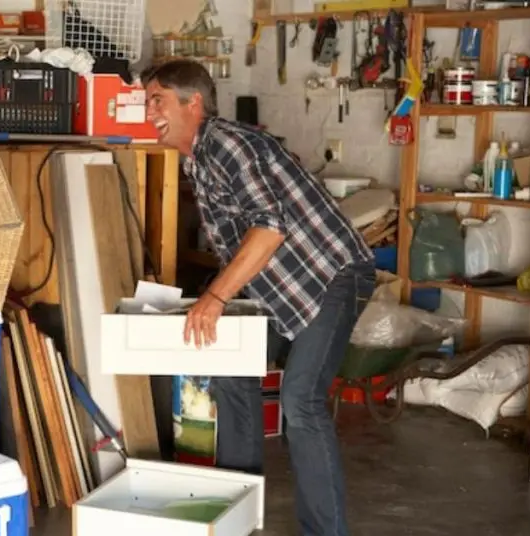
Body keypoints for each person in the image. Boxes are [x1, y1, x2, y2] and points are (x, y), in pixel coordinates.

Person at [143, 59, 375, 536]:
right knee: (231, 369)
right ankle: (237, 516)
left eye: (157, 100)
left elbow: (269, 228)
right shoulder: (197, 159)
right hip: (281, 289)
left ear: (194, 103)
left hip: (330, 277)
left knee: (302, 400)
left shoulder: (226, 143)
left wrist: (216, 297)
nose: (149, 112)